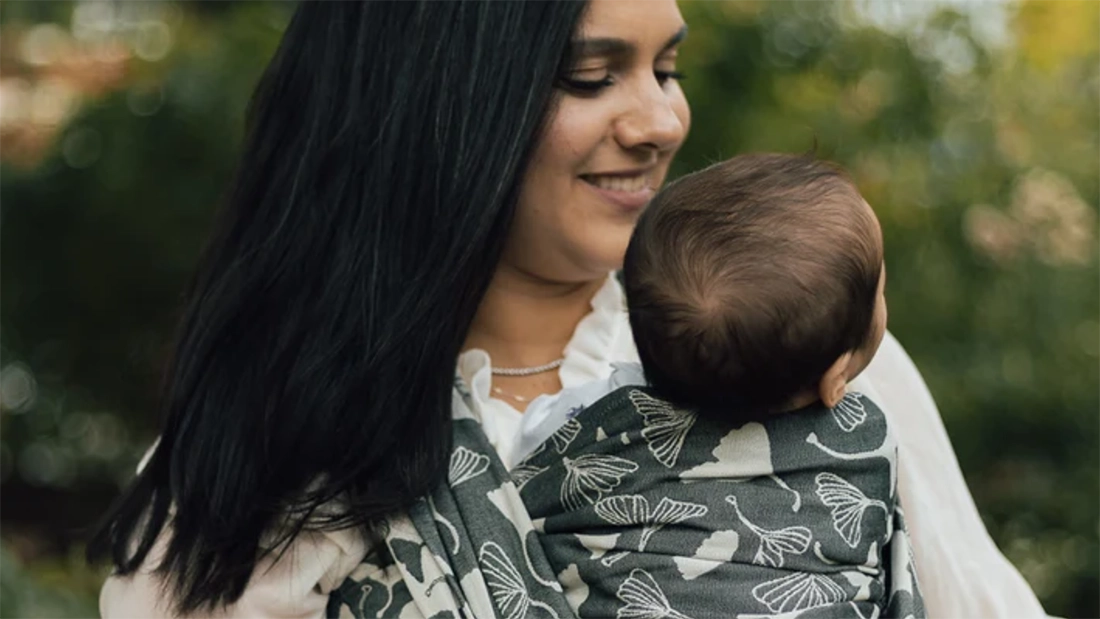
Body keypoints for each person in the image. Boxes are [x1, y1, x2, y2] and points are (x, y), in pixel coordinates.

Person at [92, 0, 1054, 618]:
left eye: (666, 70)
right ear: (438, 105)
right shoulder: (276, 427)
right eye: (593, 78)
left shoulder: (812, 363)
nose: (663, 120)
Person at [503, 153, 922, 618]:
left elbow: (528, 468)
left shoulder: (595, 416)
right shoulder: (861, 441)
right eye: (880, 291)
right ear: (835, 377)